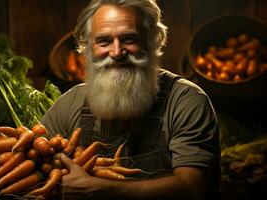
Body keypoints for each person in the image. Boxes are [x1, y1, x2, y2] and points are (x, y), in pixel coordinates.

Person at [42, 0, 221, 199]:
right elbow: (35, 162)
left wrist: (101, 189)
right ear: (87, 48)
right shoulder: (71, 103)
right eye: (104, 41)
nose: (117, 52)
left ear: (154, 40)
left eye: (129, 39)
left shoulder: (186, 101)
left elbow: (192, 188)